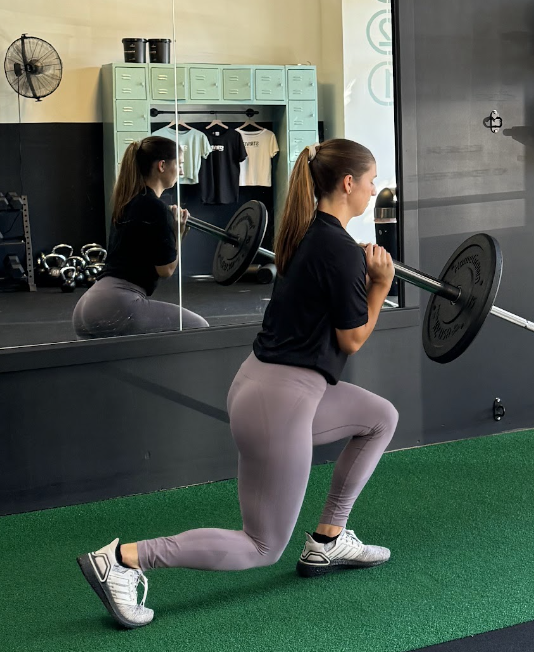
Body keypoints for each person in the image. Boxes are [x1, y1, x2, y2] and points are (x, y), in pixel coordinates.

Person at [76, 139, 400, 629]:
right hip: (281, 402)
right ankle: (122, 560)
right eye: (372, 179)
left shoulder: (311, 233)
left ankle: (329, 539)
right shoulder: (336, 248)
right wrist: (380, 283)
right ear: (349, 183)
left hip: (266, 387)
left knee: (380, 417)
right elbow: (352, 338)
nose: (375, 188)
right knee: (262, 545)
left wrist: (359, 269)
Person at [72, 136, 210, 338]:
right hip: (116, 306)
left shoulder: (128, 201)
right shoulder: (156, 208)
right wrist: (177, 233)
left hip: (88, 304)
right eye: (179, 165)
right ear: (162, 166)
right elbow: (166, 269)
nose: (181, 171)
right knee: (200, 328)